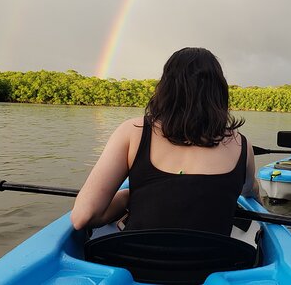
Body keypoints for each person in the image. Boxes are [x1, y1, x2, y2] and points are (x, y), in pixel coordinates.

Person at [71, 47, 259, 236]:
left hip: (134, 261)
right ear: (219, 92)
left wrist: (128, 197)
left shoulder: (132, 131)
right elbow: (249, 191)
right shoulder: (242, 144)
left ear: (166, 88)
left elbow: (83, 217)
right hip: (217, 264)